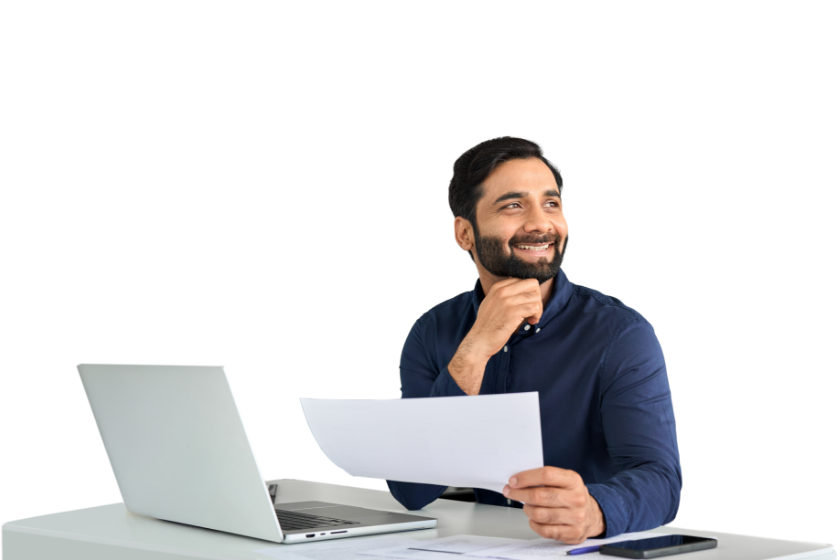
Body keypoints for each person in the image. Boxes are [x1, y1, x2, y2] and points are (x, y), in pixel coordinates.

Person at [386, 136, 682, 544]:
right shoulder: (431, 332)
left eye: (551, 203)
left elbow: (661, 480)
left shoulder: (619, 333)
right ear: (465, 233)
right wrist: (476, 348)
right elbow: (412, 490)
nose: (541, 223)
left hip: (584, 551)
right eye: (513, 205)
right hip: (481, 550)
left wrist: (596, 510)